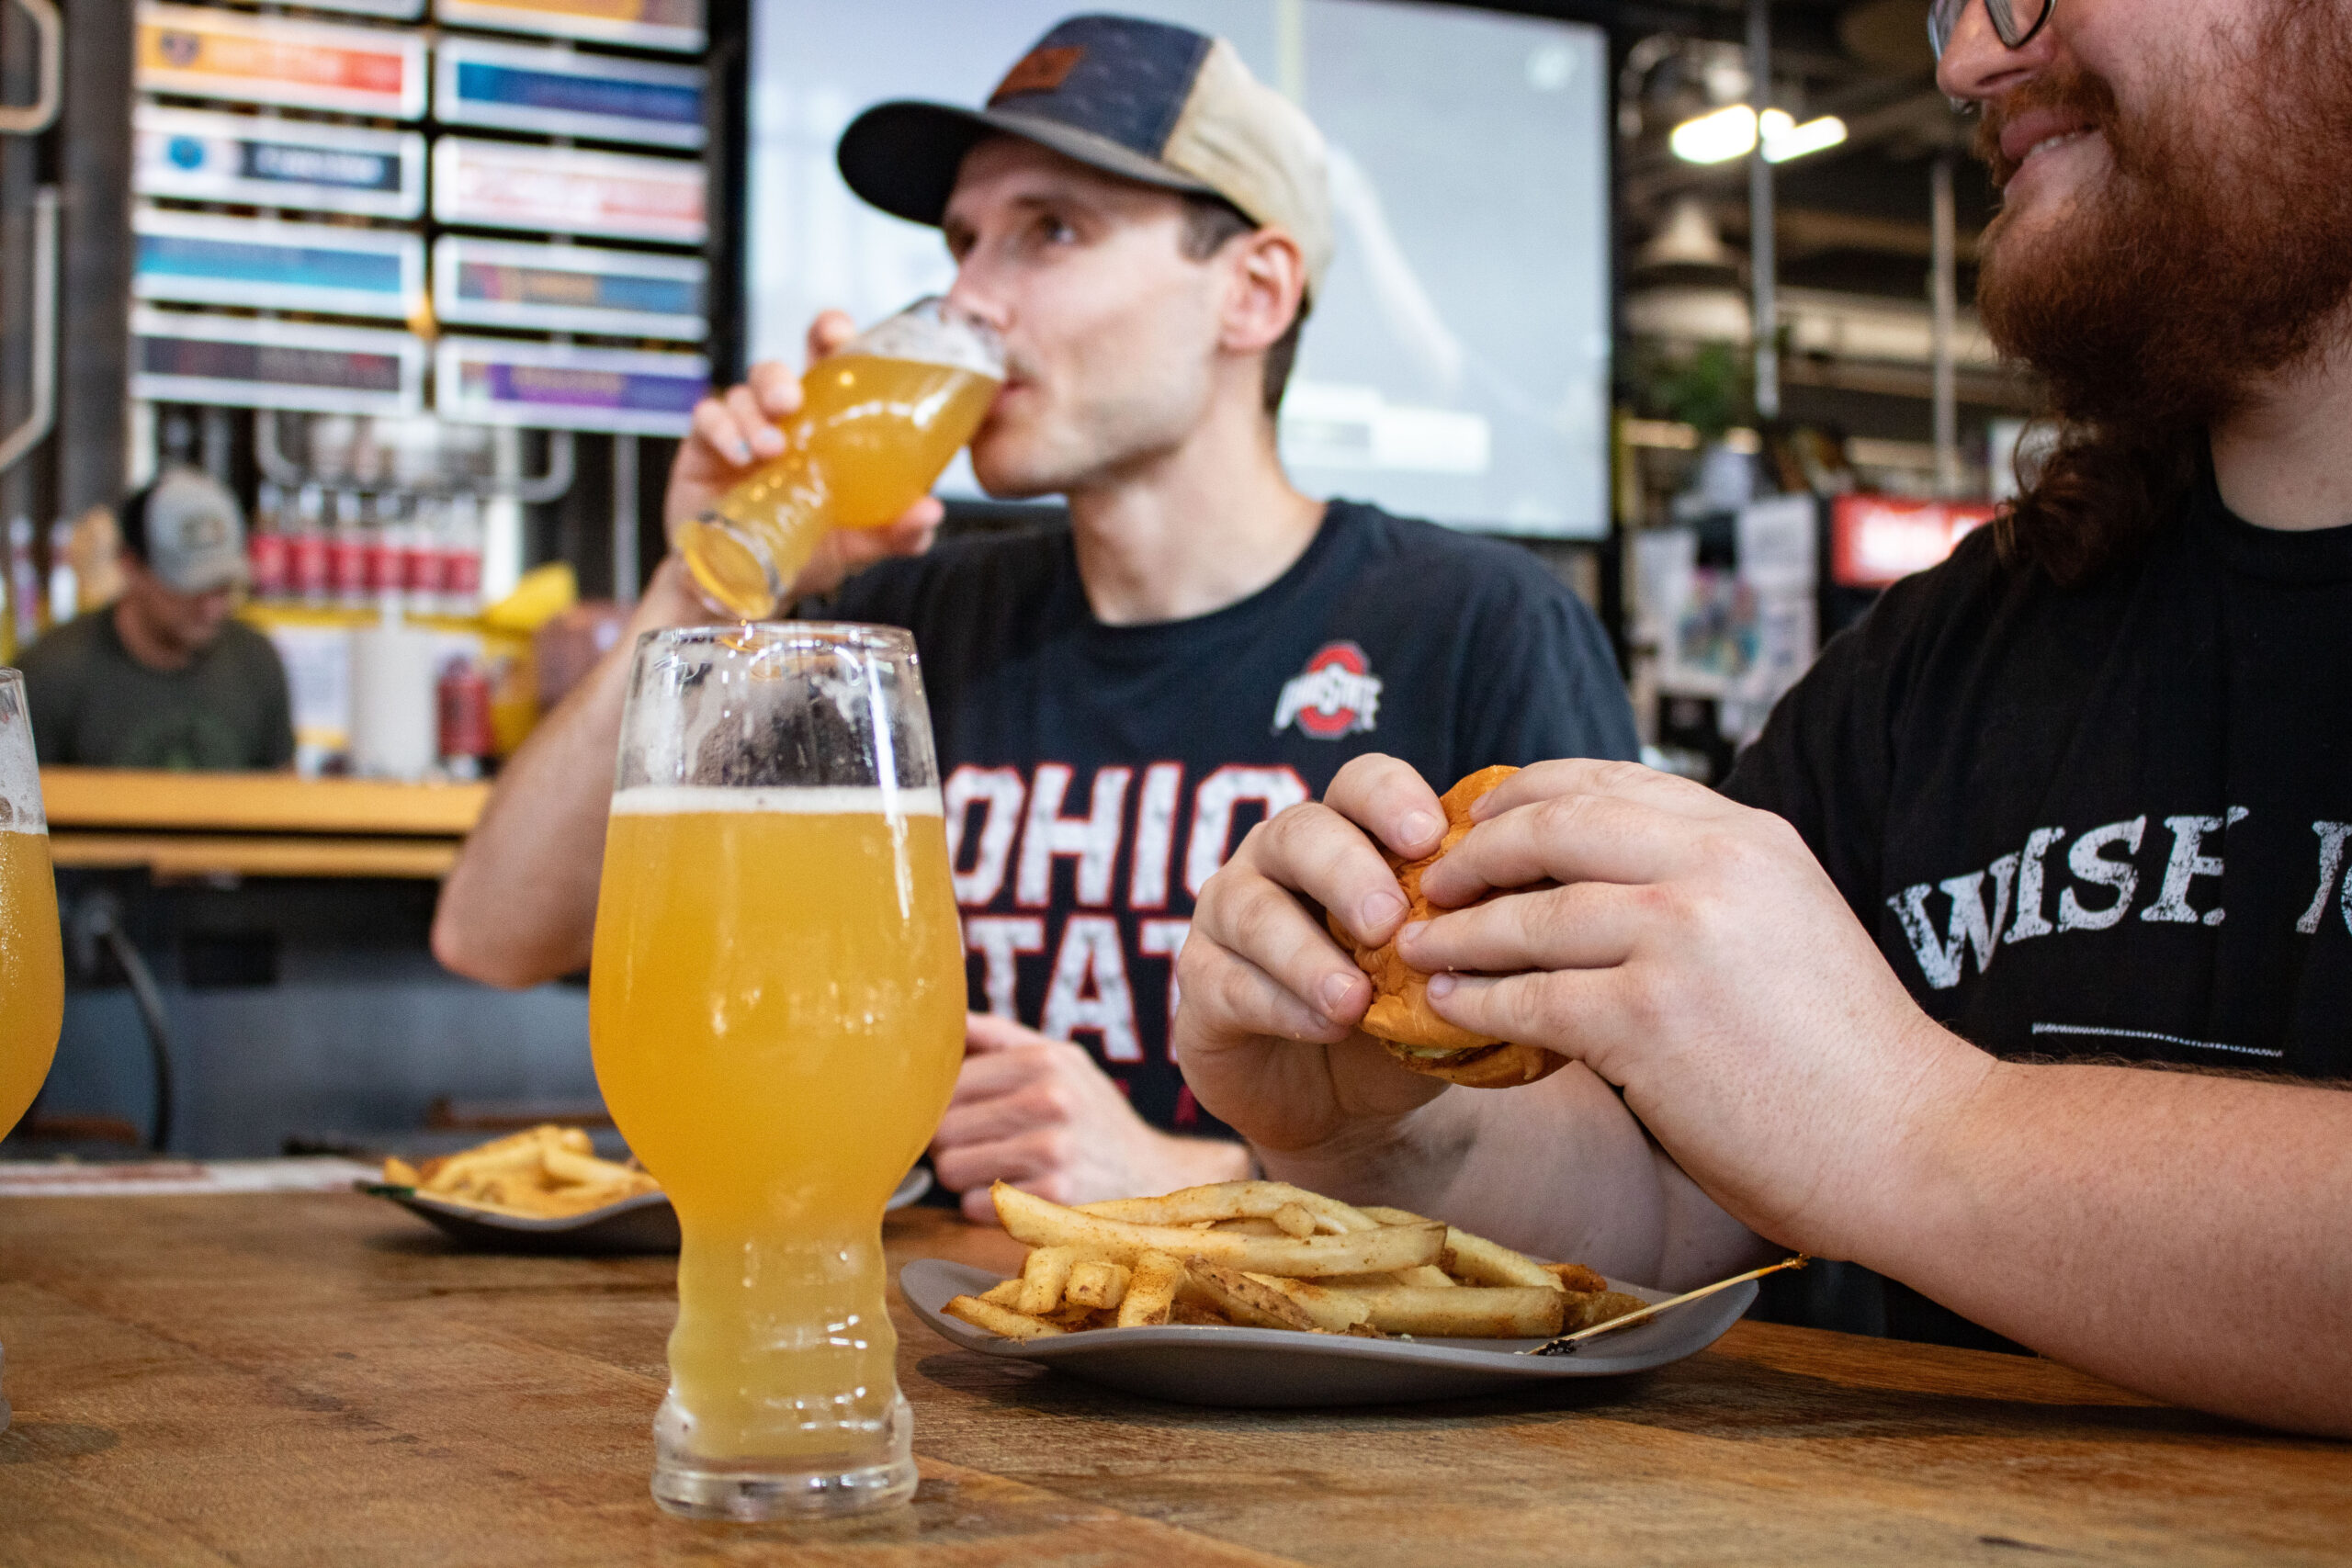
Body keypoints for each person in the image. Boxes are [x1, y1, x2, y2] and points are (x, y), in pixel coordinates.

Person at [1174, 0, 2352, 1437]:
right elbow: (1667, 1204)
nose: (1971, 57)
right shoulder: (1953, 650)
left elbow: (1857, 1128)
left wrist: (1915, 1127)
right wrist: (1382, 1130)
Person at [432, 15, 1637, 1222]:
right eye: (961, 241)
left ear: (1253, 292)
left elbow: (1621, 1126)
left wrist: (1213, 1175)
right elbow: (492, 933)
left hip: (1318, 1387)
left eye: (1048, 230)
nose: (966, 297)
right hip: (929, 1348)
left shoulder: (1473, 621)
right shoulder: (904, 626)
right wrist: (712, 580)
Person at [18, 467, 293, 772]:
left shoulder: (256, 661)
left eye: (223, 587)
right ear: (131, 567)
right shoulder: (51, 673)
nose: (213, 607)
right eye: (191, 588)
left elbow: (284, 803)